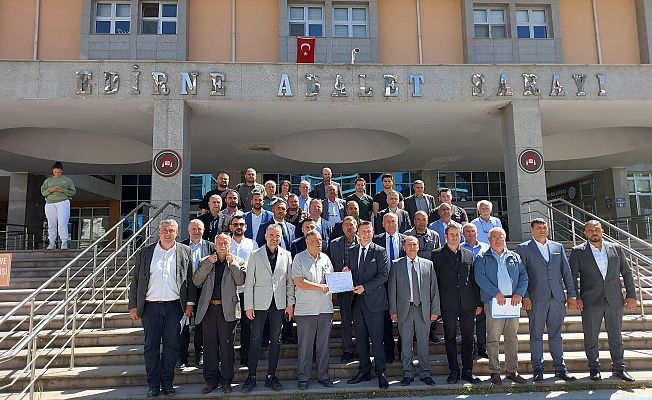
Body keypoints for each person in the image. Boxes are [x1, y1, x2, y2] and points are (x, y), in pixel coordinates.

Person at [128, 219, 195, 398]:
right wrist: (133, 305)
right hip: (150, 307)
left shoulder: (185, 251)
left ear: (177, 232)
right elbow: (135, 281)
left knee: (172, 346)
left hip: (175, 306)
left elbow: (190, 280)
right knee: (151, 346)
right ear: (159, 231)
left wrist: (189, 304)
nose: (167, 233)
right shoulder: (145, 252)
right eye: (165, 230)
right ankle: (153, 385)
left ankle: (167, 383)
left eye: (171, 230)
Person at [570, 220, 637, 382]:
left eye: (596, 229)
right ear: (585, 233)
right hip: (590, 301)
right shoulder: (578, 252)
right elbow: (572, 276)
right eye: (590, 230)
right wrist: (575, 297)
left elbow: (627, 273)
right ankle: (594, 367)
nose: (594, 232)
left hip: (614, 299)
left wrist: (631, 295)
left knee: (616, 335)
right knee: (591, 335)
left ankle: (619, 367)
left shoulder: (616, 249)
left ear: (602, 231)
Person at [515, 218, 577, 383]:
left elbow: (567, 272)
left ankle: (560, 368)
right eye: (538, 228)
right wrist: (525, 296)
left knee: (556, 335)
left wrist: (572, 294)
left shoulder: (558, 247)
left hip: (557, 298)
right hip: (535, 299)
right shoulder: (523, 248)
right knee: (536, 335)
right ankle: (538, 369)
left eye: (544, 227)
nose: (542, 230)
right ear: (531, 230)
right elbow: (521, 275)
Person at [242, 224, 295, 393]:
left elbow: (289, 282)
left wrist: (290, 304)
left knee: (276, 339)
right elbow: (249, 282)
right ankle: (251, 376)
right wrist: (248, 306)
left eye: (277, 235)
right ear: (265, 236)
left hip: (278, 304)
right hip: (259, 304)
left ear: (281, 238)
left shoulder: (286, 255)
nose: (274, 238)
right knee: (256, 339)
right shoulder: (255, 255)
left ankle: (271, 376)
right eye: (271, 235)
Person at [474, 227, 528, 386]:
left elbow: (523, 275)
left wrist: (519, 293)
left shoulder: (514, 256)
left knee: (512, 338)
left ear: (505, 238)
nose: (498, 240)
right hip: (494, 303)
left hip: (512, 303)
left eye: (501, 237)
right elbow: (480, 277)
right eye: (495, 237)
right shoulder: (482, 257)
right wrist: (495, 293)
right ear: (489, 240)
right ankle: (494, 371)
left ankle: (512, 370)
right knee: (493, 339)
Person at [193, 233, 246, 394]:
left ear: (230, 245)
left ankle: (226, 381)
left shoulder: (238, 261)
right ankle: (211, 381)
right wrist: (208, 264)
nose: (222, 246)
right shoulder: (205, 261)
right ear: (214, 245)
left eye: (225, 243)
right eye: (219, 243)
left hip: (227, 310)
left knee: (227, 347)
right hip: (209, 309)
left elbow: (241, 280)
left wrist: (233, 264)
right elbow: (196, 281)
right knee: (209, 348)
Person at [432, 225, 482, 384]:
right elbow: (435, 282)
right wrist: (436, 305)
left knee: (469, 337)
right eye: (451, 234)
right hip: (448, 304)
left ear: (461, 236)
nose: (454, 237)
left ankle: (468, 371)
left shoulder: (468, 254)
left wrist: (478, 303)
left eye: (457, 234)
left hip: (468, 303)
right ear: (445, 236)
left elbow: (473, 280)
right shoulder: (437, 255)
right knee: (450, 337)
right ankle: (454, 371)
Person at [388, 236, 439, 386]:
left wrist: (435, 309)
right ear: (404, 247)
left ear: (418, 247)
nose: (411, 247)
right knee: (406, 343)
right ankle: (408, 373)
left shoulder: (428, 264)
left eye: (414, 244)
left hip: (423, 309)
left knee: (423, 342)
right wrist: (393, 311)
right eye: (408, 245)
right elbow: (392, 290)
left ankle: (425, 372)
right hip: (405, 310)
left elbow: (434, 289)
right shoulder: (396, 265)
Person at [346, 221, 390, 389]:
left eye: (369, 231)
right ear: (357, 232)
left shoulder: (379, 251)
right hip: (356, 303)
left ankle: (381, 372)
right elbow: (351, 272)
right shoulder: (351, 251)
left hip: (375, 302)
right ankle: (364, 371)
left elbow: (384, 275)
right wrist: (346, 274)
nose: (365, 234)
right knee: (361, 339)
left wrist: (365, 287)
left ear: (373, 233)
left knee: (377, 339)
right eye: (363, 231)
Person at [292, 230, 335, 390]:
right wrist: (319, 287)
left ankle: (323, 375)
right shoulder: (299, 258)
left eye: (320, 240)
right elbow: (298, 281)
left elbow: (331, 280)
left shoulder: (325, 258)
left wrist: (342, 277)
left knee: (323, 346)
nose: (319, 243)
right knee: (305, 346)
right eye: (315, 241)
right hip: (306, 310)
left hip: (325, 308)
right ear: (307, 243)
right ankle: (303, 378)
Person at [178, 220, 214, 369]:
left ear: (204, 230)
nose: (196, 231)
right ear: (188, 230)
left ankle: (200, 355)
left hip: (204, 291)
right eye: (193, 228)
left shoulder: (211, 246)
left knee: (201, 325)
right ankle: (182, 358)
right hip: (184, 290)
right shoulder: (180, 246)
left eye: (199, 229)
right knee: (183, 325)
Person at [373, 213, 406, 363]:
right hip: (383, 285)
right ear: (383, 224)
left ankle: (403, 350)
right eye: (388, 222)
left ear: (397, 223)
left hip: (403, 284)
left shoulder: (406, 240)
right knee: (386, 320)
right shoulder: (377, 240)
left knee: (404, 319)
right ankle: (389, 352)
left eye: (393, 221)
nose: (391, 224)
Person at [328, 216, 359, 362]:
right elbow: (330, 265)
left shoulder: (363, 241)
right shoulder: (334, 244)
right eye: (346, 224)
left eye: (351, 223)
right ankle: (347, 349)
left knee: (360, 320)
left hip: (360, 288)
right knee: (346, 320)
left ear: (356, 225)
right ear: (342, 227)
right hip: (343, 288)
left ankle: (360, 348)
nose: (349, 226)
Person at [228, 215, 256, 367]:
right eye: (236, 224)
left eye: (241, 224)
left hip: (247, 291)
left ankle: (245, 356)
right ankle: (227, 357)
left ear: (246, 227)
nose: (239, 227)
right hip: (229, 291)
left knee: (247, 326)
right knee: (228, 325)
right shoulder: (226, 243)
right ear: (231, 227)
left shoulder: (253, 243)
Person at [461, 223, 490, 359]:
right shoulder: (459, 248)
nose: (470, 234)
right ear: (463, 234)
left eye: (473, 231)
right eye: (467, 231)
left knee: (481, 321)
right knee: (467, 322)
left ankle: (482, 347)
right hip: (466, 290)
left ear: (477, 233)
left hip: (482, 288)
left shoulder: (486, 248)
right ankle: (470, 347)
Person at [41, 161, 76, 249]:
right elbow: (43, 192)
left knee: (62, 223)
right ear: (52, 171)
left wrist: (63, 190)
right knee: (51, 224)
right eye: (55, 172)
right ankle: (52, 242)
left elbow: (73, 192)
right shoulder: (48, 181)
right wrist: (51, 190)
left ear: (62, 171)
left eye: (59, 172)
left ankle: (64, 242)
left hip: (63, 202)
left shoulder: (67, 180)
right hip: (50, 203)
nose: (57, 174)